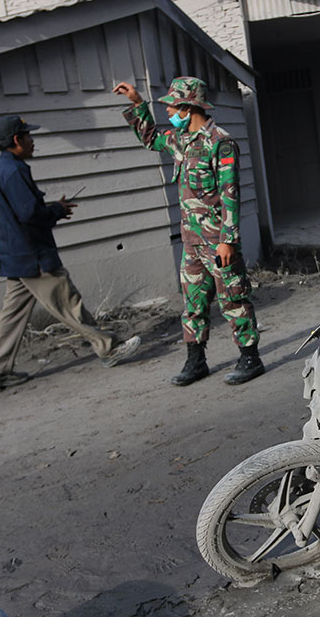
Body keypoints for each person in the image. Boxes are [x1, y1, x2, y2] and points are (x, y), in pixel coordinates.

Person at [113, 77, 265, 387]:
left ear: (188, 106)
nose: (169, 112)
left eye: (171, 106)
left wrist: (228, 241)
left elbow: (230, 194)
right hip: (192, 242)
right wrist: (137, 103)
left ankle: (250, 358)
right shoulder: (181, 140)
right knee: (193, 303)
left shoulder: (220, 142)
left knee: (233, 299)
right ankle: (196, 361)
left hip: (217, 242)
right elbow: (150, 138)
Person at [0, 115, 141, 391]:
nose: (32, 140)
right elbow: (29, 213)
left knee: (12, 313)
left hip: (15, 255)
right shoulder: (14, 171)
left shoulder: (1, 168)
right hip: (33, 255)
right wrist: (56, 210)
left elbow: (23, 210)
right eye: (28, 136)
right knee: (68, 301)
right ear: (17, 140)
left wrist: (53, 207)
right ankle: (108, 348)